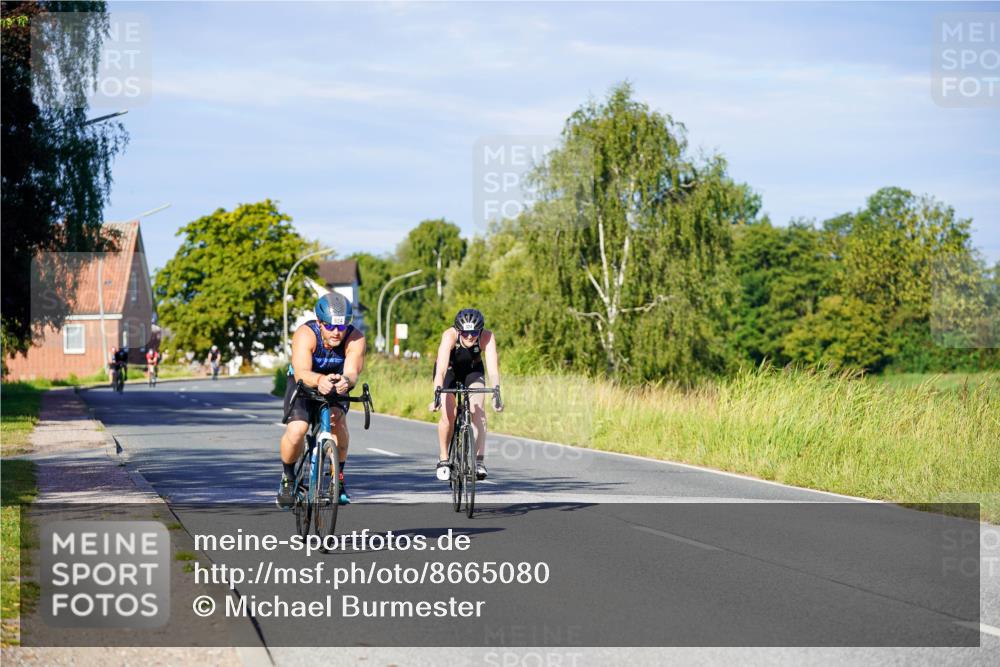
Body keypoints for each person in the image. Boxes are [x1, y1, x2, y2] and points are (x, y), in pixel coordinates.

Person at [277, 292, 365, 508]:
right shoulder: (306, 334)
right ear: (319, 322)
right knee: (298, 429)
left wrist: (346, 380)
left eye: (342, 327)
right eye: (330, 327)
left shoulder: (355, 337)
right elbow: (301, 372)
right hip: (304, 383)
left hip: (335, 384)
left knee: (336, 420)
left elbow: (353, 371)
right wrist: (318, 379)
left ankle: (338, 479)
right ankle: (288, 478)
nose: (337, 332)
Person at [430, 308, 503, 481]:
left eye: (474, 332)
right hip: (449, 371)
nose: (470, 336)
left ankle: (479, 461)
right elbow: (440, 371)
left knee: (479, 412)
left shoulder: (487, 337)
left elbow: (493, 370)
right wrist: (436, 395)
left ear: (480, 330)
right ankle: (443, 458)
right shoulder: (449, 336)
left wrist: (496, 393)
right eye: (465, 333)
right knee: (448, 414)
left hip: (473, 372)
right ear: (458, 330)